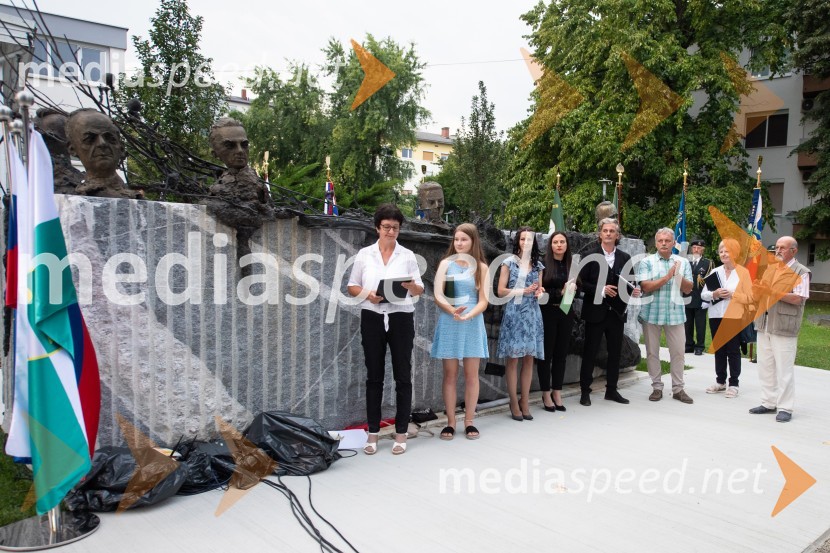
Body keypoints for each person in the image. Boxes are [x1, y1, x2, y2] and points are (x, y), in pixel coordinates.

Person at [347, 204, 425, 453]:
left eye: (395, 227)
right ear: (377, 228)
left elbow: (419, 289)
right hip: (372, 316)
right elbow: (351, 286)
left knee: (403, 375)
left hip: (401, 317)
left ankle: (400, 433)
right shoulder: (364, 255)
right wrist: (368, 294)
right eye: (386, 227)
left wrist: (412, 286)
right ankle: (373, 434)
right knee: (374, 376)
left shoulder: (408, 256)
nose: (391, 231)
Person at [431, 223, 490, 440]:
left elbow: (484, 301)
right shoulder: (446, 264)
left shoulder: (482, 268)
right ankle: (450, 423)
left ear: (473, 241)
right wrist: (452, 310)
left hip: (472, 322)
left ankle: (469, 422)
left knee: (471, 375)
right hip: (449, 321)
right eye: (456, 239)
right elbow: (438, 295)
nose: (459, 243)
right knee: (450, 375)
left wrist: (469, 315)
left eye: (464, 239)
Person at [577, 218, 638, 406]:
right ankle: (585, 392)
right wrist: (601, 290)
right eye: (606, 230)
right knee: (590, 352)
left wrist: (634, 290)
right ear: (600, 234)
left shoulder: (625, 258)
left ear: (617, 235)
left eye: (612, 231)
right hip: (595, 312)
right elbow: (580, 284)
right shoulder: (589, 255)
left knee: (615, 353)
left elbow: (631, 282)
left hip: (616, 314)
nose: (609, 234)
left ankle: (612, 390)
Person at [749, 236, 810, 423]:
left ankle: (785, 407)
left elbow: (799, 298)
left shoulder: (801, 272)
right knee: (765, 367)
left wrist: (771, 292)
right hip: (764, 323)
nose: (778, 251)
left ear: (794, 250)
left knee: (784, 369)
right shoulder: (770, 268)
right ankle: (768, 402)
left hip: (784, 326)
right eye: (777, 247)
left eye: (783, 247)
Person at [637, 228, 694, 404]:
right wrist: (669, 276)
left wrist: (677, 276)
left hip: (675, 315)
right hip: (651, 314)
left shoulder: (683, 262)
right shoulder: (646, 262)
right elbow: (646, 286)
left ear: (672, 243)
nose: (663, 243)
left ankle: (678, 389)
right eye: (660, 240)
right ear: (656, 243)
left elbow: (688, 289)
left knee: (678, 353)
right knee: (652, 352)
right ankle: (657, 387)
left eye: (667, 241)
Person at [496, 226, 545, 421]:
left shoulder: (538, 266)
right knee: (513, 359)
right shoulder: (508, 263)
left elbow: (540, 290)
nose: (526, 242)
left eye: (530, 239)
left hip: (532, 314)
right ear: (518, 241)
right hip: (514, 314)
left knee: (528, 359)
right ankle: (513, 401)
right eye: (523, 239)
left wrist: (539, 292)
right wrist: (521, 291)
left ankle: (525, 400)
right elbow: (500, 291)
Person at [700, 239, 754, 398]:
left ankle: (734, 384)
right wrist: (714, 294)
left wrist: (733, 295)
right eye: (721, 251)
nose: (723, 254)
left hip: (734, 316)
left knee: (733, 350)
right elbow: (703, 294)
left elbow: (751, 297)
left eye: (727, 251)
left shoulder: (743, 273)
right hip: (716, 315)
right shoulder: (715, 271)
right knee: (719, 350)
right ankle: (720, 381)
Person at [537, 231, 577, 412]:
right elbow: (540, 292)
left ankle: (557, 391)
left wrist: (574, 288)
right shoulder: (544, 264)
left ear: (566, 245)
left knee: (561, 354)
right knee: (546, 354)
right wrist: (559, 293)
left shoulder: (572, 264)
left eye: (562, 242)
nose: (559, 245)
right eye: (555, 242)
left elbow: (579, 287)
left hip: (566, 311)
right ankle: (545, 392)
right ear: (550, 245)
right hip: (547, 312)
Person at [66, 108, 141, 199]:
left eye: (109, 138)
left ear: (121, 148)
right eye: (90, 139)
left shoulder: (138, 199)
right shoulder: (66, 200)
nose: (102, 143)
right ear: (72, 149)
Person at [685, 238, 713, 355]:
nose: (696, 250)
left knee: (700, 324)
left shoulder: (708, 263)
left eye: (699, 248)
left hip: (701, 298)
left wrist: (707, 299)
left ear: (703, 250)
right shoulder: (686, 261)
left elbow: (710, 281)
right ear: (692, 249)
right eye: (694, 248)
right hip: (687, 296)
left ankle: (700, 346)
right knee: (687, 323)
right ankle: (689, 344)